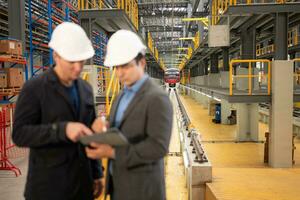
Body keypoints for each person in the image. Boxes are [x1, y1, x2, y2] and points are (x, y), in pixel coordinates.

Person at [12, 22, 103, 200]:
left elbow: (90, 135)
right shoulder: (35, 89)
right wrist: (62, 130)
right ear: (56, 56)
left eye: (81, 61)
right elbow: (20, 134)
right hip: (49, 188)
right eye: (71, 62)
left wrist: (97, 172)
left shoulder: (85, 89)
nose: (78, 68)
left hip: (82, 185)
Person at [85, 30, 173, 200]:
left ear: (142, 63)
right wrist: (104, 125)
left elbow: (157, 148)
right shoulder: (121, 95)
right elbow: (119, 128)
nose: (119, 73)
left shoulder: (157, 99)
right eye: (116, 67)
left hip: (142, 190)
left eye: (125, 66)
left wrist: (112, 152)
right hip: (118, 185)